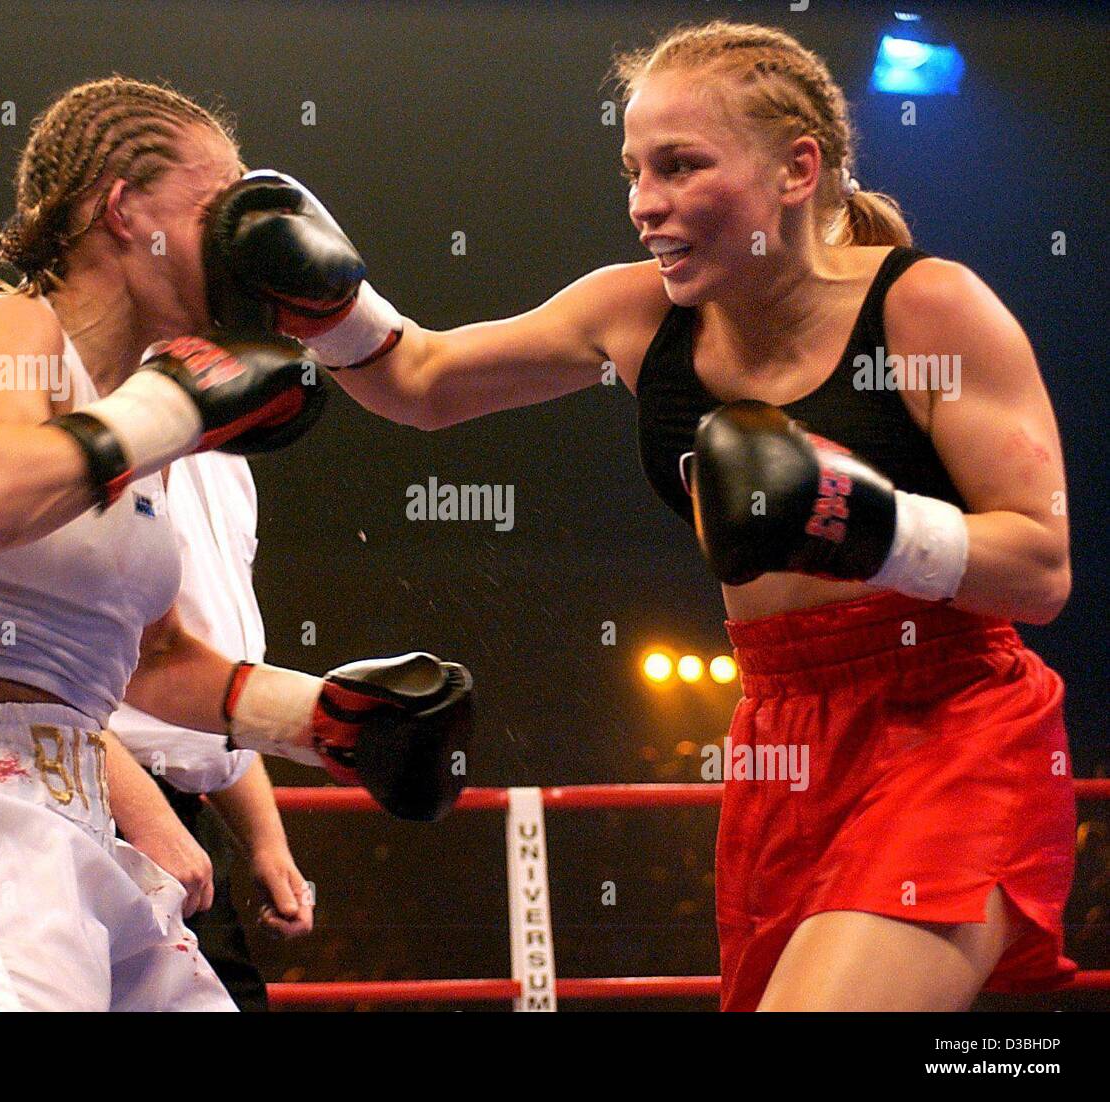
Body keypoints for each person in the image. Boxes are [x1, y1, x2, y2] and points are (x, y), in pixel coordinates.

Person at [205, 21, 1076, 1010]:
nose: (643, 205)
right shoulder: (635, 315)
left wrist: (856, 516)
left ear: (797, 168)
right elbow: (423, 380)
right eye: (632, 170)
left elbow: (1041, 566)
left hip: (950, 725)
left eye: (678, 166)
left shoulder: (927, 309)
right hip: (780, 736)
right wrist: (331, 305)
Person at [0, 76, 470, 1012]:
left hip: (76, 805)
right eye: (218, 206)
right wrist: (171, 408)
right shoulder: (12, 332)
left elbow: (155, 659)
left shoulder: (148, 413)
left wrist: (323, 719)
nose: (249, 238)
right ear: (122, 208)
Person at [108, 449, 315, 1011]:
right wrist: (331, 721)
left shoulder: (226, 464)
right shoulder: (94, 428)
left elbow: (208, 687)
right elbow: (31, 673)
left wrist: (267, 843)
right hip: (83, 800)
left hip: (176, 813)